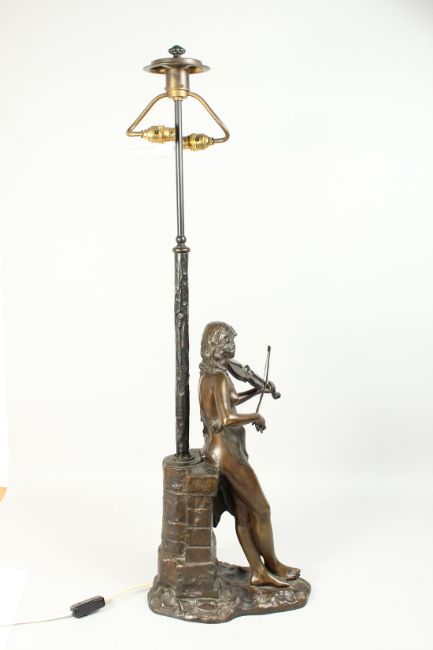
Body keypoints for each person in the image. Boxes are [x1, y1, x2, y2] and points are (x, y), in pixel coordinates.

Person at [199, 321, 300, 587]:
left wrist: (256, 389)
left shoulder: (210, 376)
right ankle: (273, 563)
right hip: (228, 454)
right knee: (262, 510)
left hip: (219, 450)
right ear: (217, 345)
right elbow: (226, 417)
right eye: (228, 341)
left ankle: (258, 571)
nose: (233, 346)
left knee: (244, 515)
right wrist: (257, 416)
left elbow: (229, 402)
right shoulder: (220, 378)